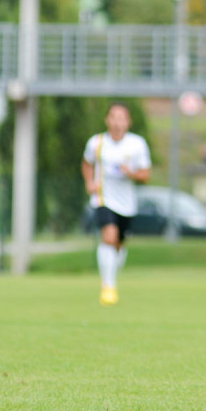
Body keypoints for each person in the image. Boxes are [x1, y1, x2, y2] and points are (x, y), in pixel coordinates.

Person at [81, 103, 151, 306]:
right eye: (114, 117)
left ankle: (111, 277)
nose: (117, 122)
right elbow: (87, 163)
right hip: (103, 199)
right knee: (108, 237)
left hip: (127, 204)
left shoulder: (137, 145)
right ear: (107, 120)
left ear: (128, 122)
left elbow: (145, 174)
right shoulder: (97, 142)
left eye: (122, 118)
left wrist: (131, 172)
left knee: (119, 245)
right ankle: (108, 286)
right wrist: (89, 182)